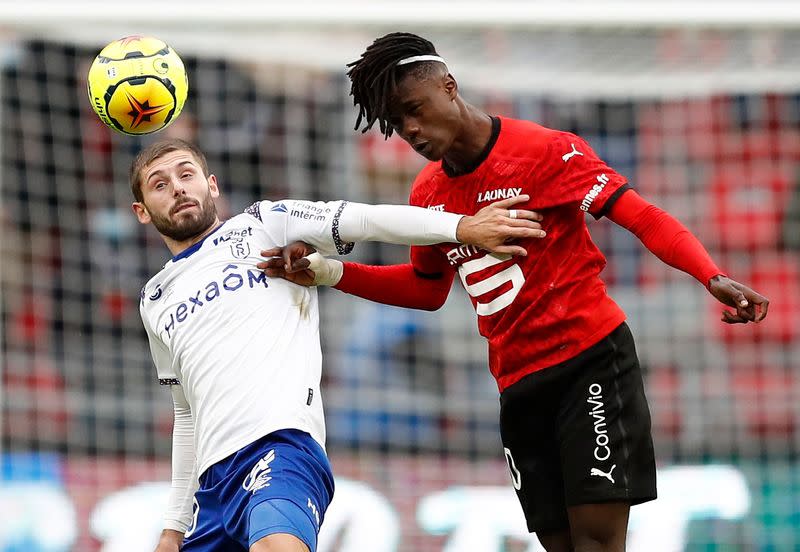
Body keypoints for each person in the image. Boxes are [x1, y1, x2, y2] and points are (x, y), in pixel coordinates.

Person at [259, 33, 770, 552]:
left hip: (589, 365)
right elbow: (427, 289)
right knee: (559, 544)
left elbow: (641, 216)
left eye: (414, 109)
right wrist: (329, 271)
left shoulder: (545, 151)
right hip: (517, 386)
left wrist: (710, 276)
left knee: (597, 543)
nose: (409, 130)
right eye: (396, 122)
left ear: (449, 86)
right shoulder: (427, 192)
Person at [132, 138, 544, 552]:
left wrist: (463, 227)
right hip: (213, 488)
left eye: (186, 175)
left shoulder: (262, 224)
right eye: (160, 184)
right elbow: (185, 414)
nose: (179, 188)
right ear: (143, 212)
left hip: (281, 447)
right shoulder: (155, 299)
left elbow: (365, 220)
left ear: (212, 185)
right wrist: (173, 527)